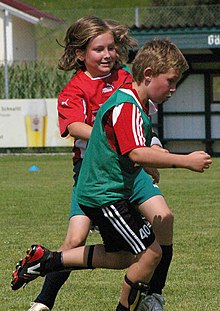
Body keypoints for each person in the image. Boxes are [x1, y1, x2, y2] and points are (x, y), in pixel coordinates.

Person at [11, 38, 212, 311]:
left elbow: (134, 148)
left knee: (125, 256)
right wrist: (185, 161)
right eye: (171, 81)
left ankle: (48, 261)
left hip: (112, 191)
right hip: (106, 194)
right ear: (149, 74)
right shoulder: (126, 106)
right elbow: (137, 154)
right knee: (150, 253)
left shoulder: (131, 100)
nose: (174, 89)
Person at [24, 16, 167, 311]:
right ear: (80, 54)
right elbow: (75, 126)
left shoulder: (126, 77)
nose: (107, 55)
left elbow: (138, 118)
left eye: (111, 48)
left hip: (130, 166)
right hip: (93, 172)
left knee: (164, 218)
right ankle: (43, 301)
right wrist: (114, 140)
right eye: (98, 50)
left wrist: (151, 147)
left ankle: (153, 294)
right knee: (75, 239)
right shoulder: (74, 90)